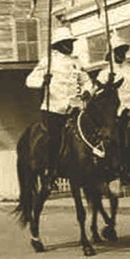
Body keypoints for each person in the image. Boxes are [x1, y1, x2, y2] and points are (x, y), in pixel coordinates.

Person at [25, 26, 94, 172]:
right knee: (54, 138)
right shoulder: (48, 62)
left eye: (71, 42)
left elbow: (86, 81)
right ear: (58, 44)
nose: (70, 46)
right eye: (67, 42)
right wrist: (43, 80)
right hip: (55, 109)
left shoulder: (77, 62)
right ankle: (52, 170)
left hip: (76, 108)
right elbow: (30, 80)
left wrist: (87, 91)